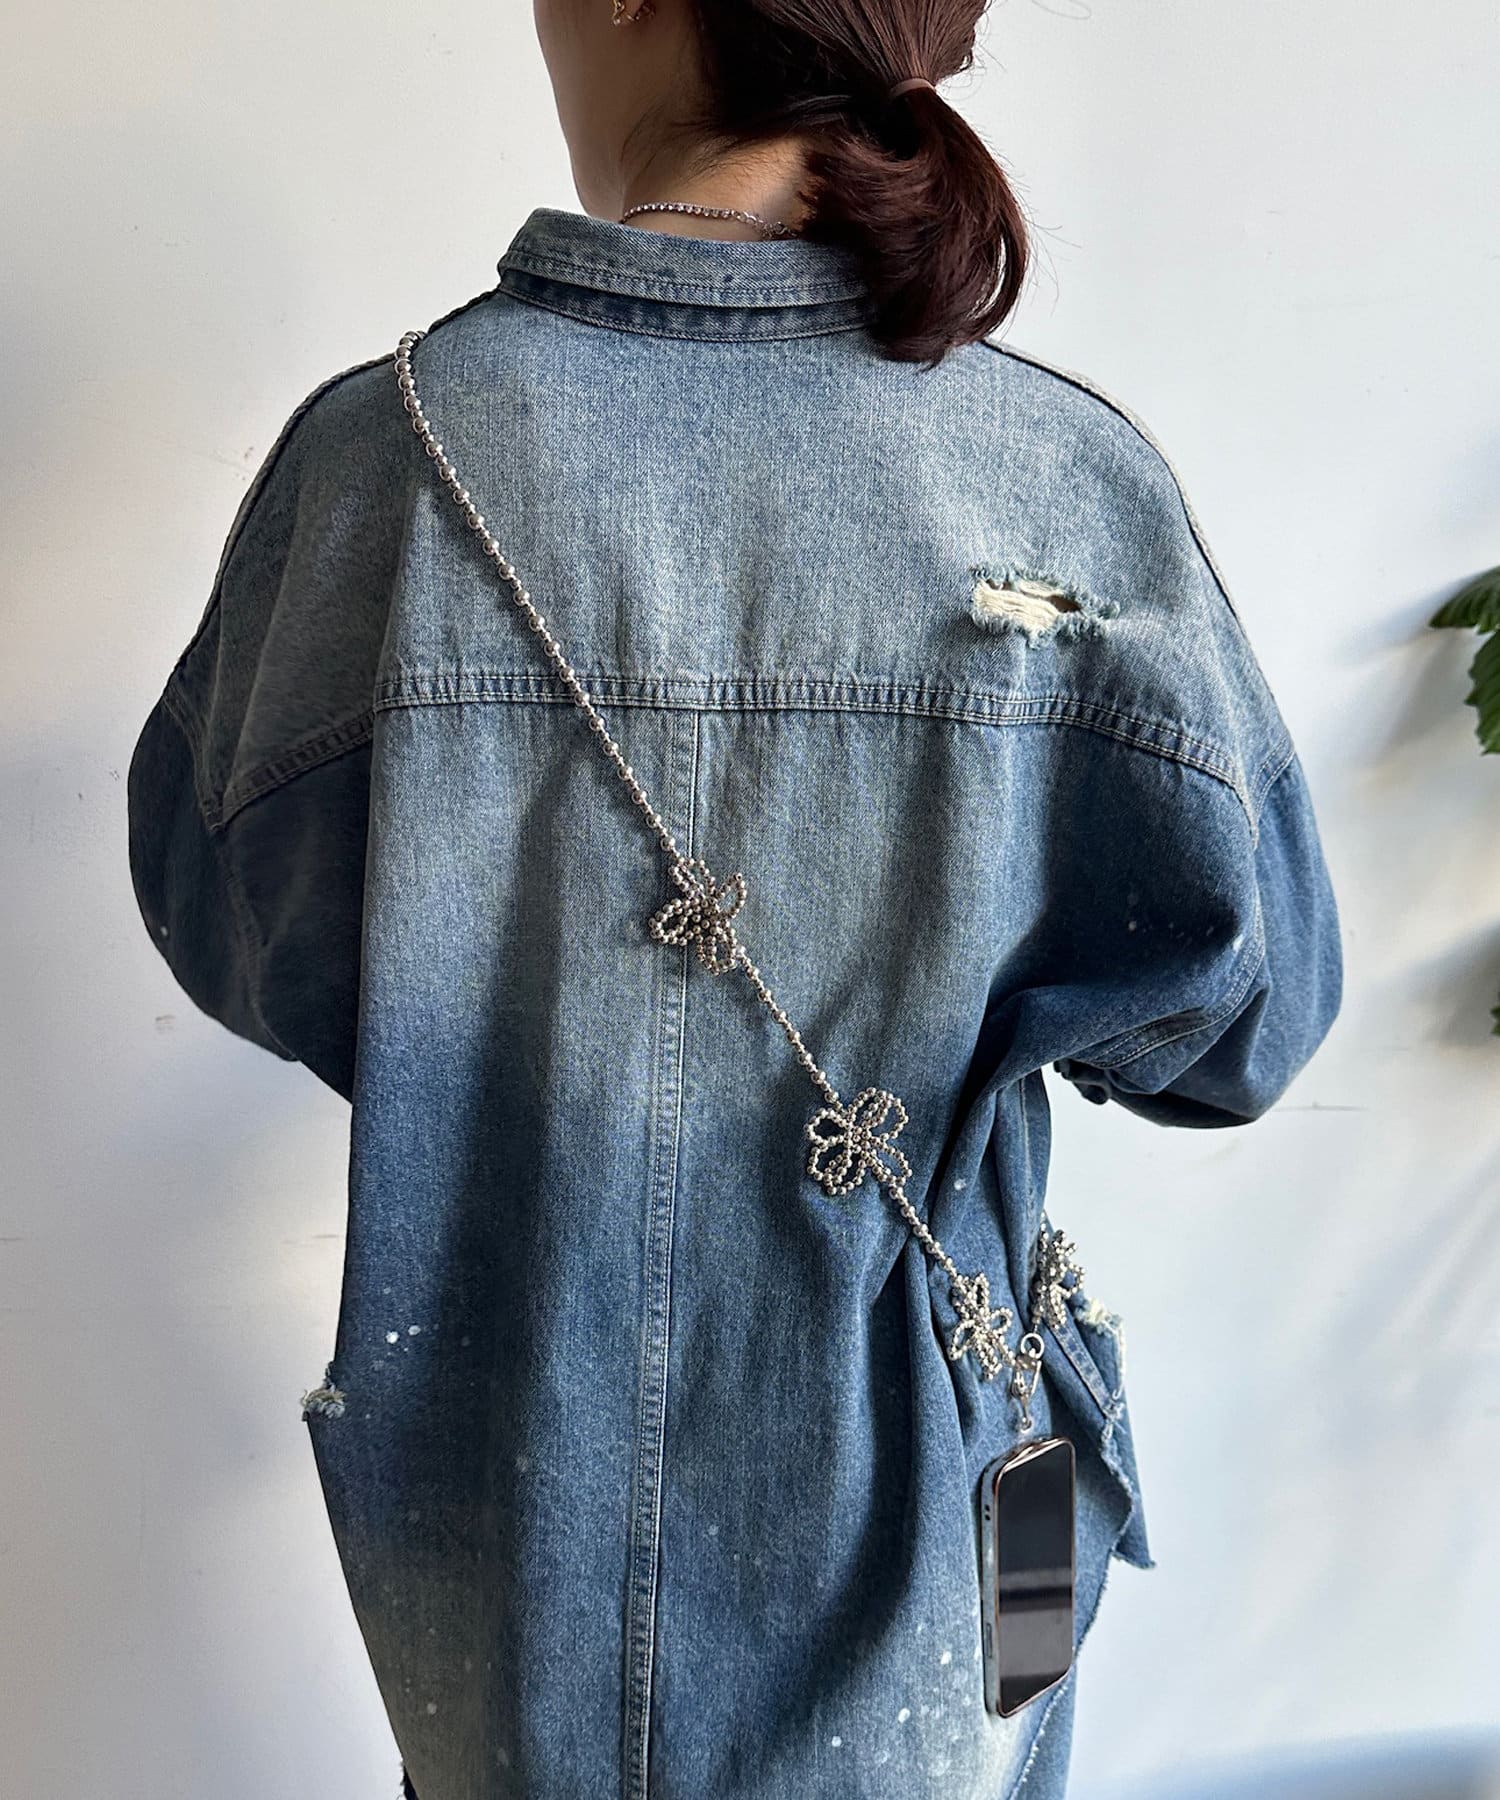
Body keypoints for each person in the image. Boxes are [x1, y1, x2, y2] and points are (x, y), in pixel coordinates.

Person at [125, 0, 1343, 1792]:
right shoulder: (1067, 489)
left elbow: (242, 934)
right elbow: (1242, 1033)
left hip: (508, 1569)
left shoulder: (388, 460)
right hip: (938, 1528)